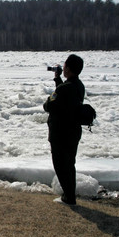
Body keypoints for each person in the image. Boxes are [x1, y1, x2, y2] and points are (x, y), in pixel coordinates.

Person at [43, 54, 85, 205]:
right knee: (69, 164)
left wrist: (50, 97)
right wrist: (57, 79)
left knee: (61, 165)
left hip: (60, 133)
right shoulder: (78, 86)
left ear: (68, 68)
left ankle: (68, 197)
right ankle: (70, 195)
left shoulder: (65, 88)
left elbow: (48, 105)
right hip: (73, 132)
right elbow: (64, 94)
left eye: (65, 65)